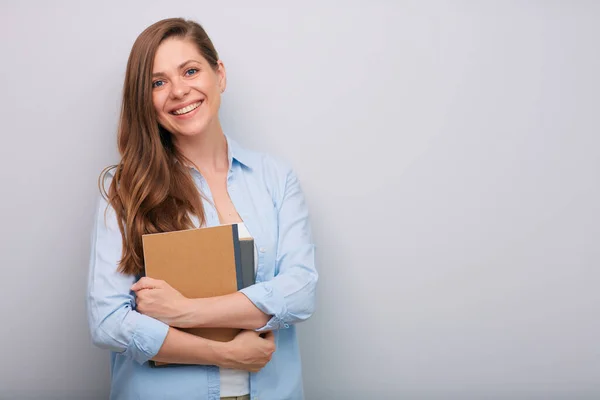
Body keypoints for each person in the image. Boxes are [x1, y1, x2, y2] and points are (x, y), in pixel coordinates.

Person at [87, 17, 318, 400]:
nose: (178, 90)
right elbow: (108, 322)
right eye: (157, 82)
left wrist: (183, 312)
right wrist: (224, 353)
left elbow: (300, 292)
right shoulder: (123, 188)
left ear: (219, 75)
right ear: (145, 99)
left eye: (190, 71)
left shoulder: (275, 178)